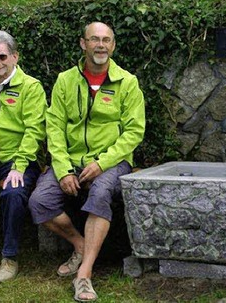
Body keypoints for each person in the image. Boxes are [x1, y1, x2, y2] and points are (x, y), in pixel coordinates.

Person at [29, 22, 145, 302]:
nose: (101, 45)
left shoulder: (127, 82)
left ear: (113, 45)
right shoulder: (65, 80)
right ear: (84, 44)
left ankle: (85, 274)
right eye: (95, 39)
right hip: (71, 160)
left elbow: (134, 131)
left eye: (106, 40)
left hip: (112, 161)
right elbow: (53, 127)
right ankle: (80, 245)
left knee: (101, 192)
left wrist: (102, 163)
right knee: (39, 201)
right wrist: (64, 169)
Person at [0, 30, 47, 283]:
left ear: (14, 57)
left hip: (18, 159)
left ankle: (9, 257)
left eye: (1, 56)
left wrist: (19, 166)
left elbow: (35, 131)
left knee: (13, 192)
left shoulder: (31, 87)